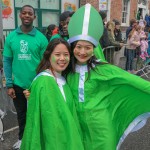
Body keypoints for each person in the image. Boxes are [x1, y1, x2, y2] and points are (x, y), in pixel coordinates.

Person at [67, 4, 150, 150]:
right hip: (76, 126)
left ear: (94, 50)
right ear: (72, 47)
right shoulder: (67, 71)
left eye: (88, 47)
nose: (82, 51)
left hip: (101, 126)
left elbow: (134, 81)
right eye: (79, 46)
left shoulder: (103, 69)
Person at [20, 38, 84, 150]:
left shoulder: (63, 79)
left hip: (67, 139)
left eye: (66, 54)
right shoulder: (45, 81)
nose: (62, 58)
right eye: (57, 54)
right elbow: (50, 123)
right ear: (49, 56)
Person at [3, 5, 48, 150]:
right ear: (20, 15)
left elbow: (46, 63)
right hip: (18, 85)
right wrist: (9, 84)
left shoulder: (41, 38)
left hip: (36, 85)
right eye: (24, 13)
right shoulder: (11, 37)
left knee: (38, 114)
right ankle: (22, 139)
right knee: (22, 115)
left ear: (34, 17)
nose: (27, 15)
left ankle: (39, 140)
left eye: (30, 13)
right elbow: (7, 61)